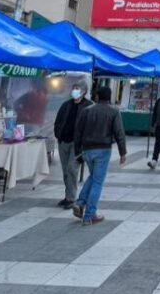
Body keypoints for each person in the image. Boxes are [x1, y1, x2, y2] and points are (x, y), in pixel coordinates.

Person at [72, 85, 127, 225]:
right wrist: (122, 152)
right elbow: (119, 132)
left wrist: (78, 151)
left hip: (87, 150)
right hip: (103, 149)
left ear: (97, 97)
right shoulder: (114, 112)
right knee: (97, 181)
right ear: (109, 97)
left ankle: (80, 202)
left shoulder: (86, 110)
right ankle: (90, 215)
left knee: (93, 177)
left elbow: (78, 131)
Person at [52, 79, 92, 210]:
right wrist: (58, 134)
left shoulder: (89, 106)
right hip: (64, 141)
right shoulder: (66, 105)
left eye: (77, 88)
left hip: (78, 144)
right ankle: (67, 196)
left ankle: (72, 198)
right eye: (74, 87)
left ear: (84, 91)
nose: (74, 90)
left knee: (72, 169)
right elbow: (58, 121)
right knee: (65, 171)